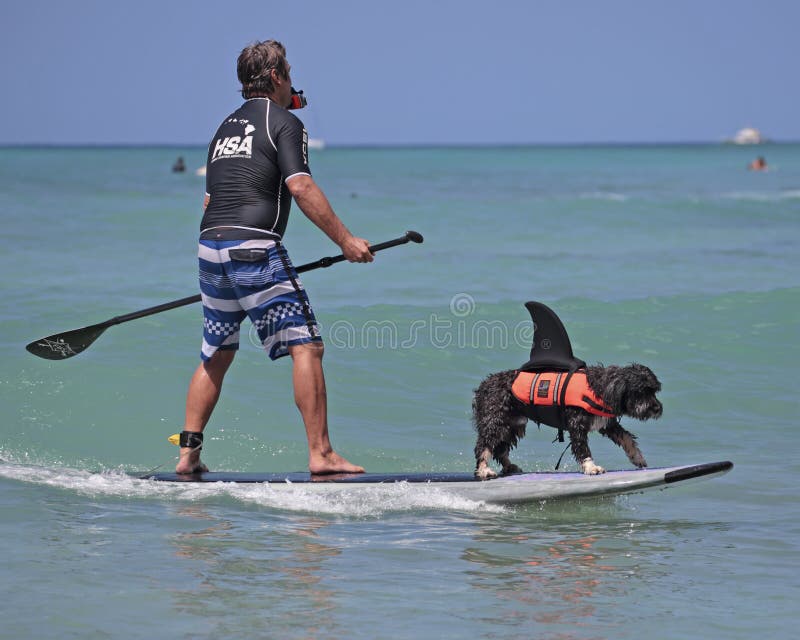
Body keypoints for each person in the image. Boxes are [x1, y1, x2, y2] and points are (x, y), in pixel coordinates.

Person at [176, 40, 372, 475]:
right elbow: (300, 186)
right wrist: (345, 240)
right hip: (254, 247)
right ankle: (321, 454)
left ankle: (187, 456)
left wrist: (226, 264)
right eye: (289, 72)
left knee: (217, 353)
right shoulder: (283, 122)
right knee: (307, 346)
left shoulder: (224, 127)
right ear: (279, 76)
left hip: (210, 247)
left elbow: (211, 198)